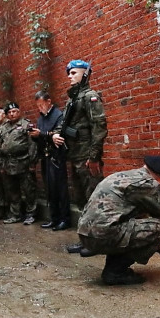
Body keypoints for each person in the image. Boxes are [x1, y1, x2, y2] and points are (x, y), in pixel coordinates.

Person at [77, 156, 160, 285]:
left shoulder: (122, 176)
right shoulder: (150, 184)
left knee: (138, 223)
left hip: (85, 233)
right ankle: (115, 271)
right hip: (103, 235)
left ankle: (112, 264)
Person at [52, 59, 108, 252]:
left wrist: (93, 157)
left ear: (85, 74)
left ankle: (97, 242)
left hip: (86, 158)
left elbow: (99, 128)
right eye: (69, 73)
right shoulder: (72, 99)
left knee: (94, 200)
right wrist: (56, 135)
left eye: (74, 73)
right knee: (81, 200)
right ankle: (86, 240)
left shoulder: (90, 97)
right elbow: (64, 125)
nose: (70, 76)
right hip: (74, 156)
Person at [29, 91, 71, 230]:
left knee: (61, 189)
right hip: (45, 157)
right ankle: (54, 218)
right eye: (38, 106)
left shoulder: (58, 115)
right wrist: (35, 135)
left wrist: (42, 134)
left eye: (41, 105)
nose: (40, 108)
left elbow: (59, 133)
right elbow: (43, 136)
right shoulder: (41, 119)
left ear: (48, 101)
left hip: (57, 157)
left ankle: (65, 219)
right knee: (50, 190)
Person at [0, 102, 38, 225]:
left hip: (23, 162)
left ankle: (31, 214)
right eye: (9, 112)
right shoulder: (4, 127)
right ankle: (15, 215)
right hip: (8, 164)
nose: (12, 114)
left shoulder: (26, 124)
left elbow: (32, 144)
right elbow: (1, 145)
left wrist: (32, 162)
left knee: (28, 190)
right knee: (13, 191)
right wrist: (2, 164)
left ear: (19, 112)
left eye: (14, 111)